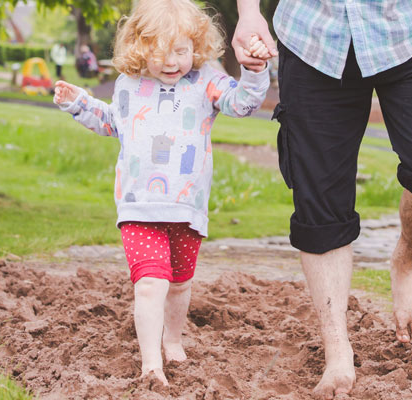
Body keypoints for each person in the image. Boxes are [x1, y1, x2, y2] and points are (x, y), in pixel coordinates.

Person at [233, 0, 412, 398]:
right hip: (313, 34)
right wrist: (248, 13)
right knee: (319, 203)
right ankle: (337, 351)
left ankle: (406, 260)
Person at [53, 0, 271, 386]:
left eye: (181, 51)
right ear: (140, 47)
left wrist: (254, 71)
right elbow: (109, 122)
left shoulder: (206, 81)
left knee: (180, 284)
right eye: (159, 52)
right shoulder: (129, 85)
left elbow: (243, 104)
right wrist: (78, 103)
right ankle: (151, 363)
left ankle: (173, 339)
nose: (171, 62)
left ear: (196, 46)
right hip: (139, 206)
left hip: (187, 208)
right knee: (151, 283)